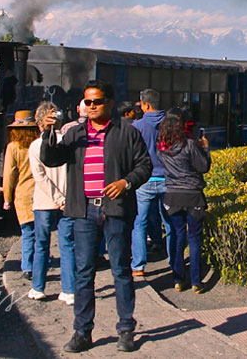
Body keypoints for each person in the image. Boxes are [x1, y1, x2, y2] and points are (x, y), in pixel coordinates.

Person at [41, 79, 152, 354]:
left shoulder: (126, 132)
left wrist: (126, 183)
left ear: (110, 103)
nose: (91, 106)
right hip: (84, 210)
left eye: (97, 101)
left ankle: (126, 329)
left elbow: (145, 165)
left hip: (116, 211)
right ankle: (82, 331)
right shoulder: (75, 134)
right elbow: (52, 158)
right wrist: (47, 133)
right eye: (87, 102)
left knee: (121, 271)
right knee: (83, 273)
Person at [157, 108, 211, 293]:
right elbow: (203, 167)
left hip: (172, 195)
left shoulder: (161, 147)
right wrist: (204, 148)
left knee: (179, 237)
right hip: (192, 194)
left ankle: (179, 280)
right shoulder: (189, 144)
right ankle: (196, 281)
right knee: (194, 239)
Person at [27, 101, 75, 304]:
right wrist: (64, 199)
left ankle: (38, 288)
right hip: (66, 202)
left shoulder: (35, 146)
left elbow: (40, 178)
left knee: (42, 245)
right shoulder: (68, 143)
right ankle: (69, 290)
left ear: (39, 124)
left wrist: (55, 198)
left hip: (44, 202)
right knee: (67, 246)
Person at [129, 88, 172, 278]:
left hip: (144, 180)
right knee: (170, 223)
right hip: (168, 179)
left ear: (145, 104)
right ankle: (174, 261)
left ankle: (138, 265)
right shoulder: (170, 124)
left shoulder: (137, 126)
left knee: (139, 223)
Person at [2, 110, 38, 280]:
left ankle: (27, 267)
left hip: (23, 194)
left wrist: (7, 198)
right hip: (41, 192)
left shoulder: (13, 147)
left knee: (27, 232)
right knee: (42, 233)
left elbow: (9, 175)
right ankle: (39, 264)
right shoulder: (38, 143)